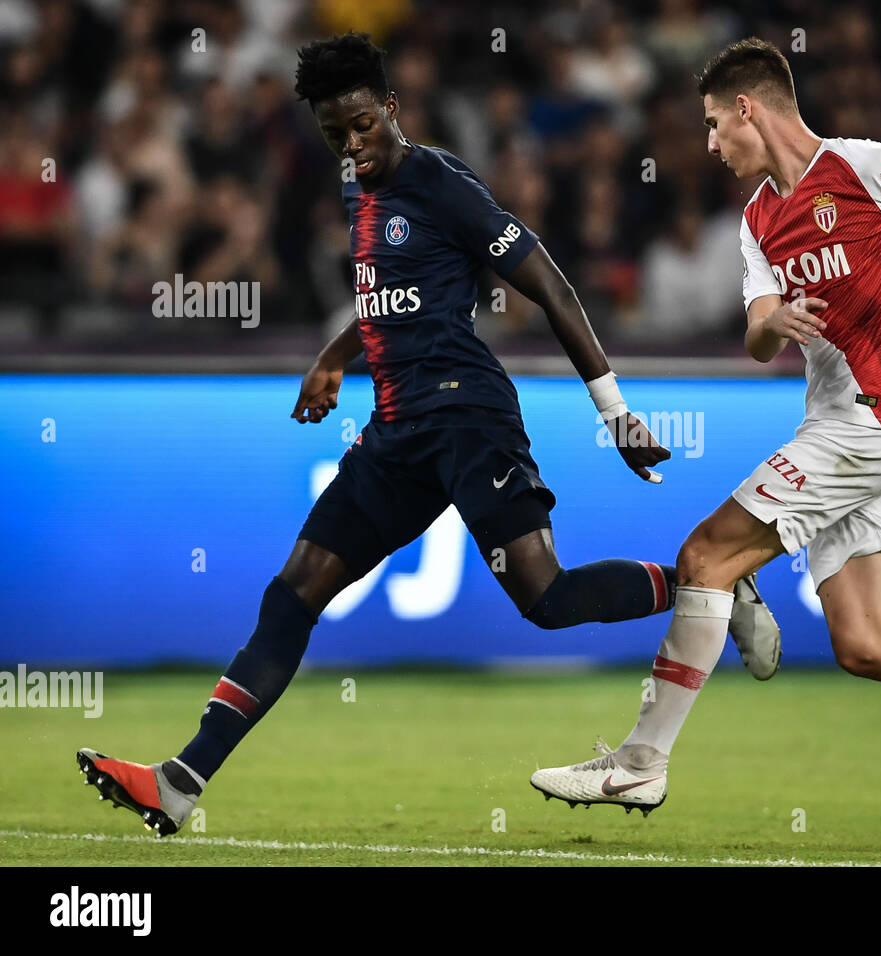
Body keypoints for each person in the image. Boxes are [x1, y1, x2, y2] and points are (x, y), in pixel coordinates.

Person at [77, 32, 778, 836]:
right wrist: (334, 357)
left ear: (393, 109)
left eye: (364, 126)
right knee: (292, 592)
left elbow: (548, 285)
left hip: (470, 417)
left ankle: (715, 585)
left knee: (546, 601)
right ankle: (181, 779)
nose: (353, 146)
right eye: (335, 134)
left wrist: (615, 410)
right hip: (398, 432)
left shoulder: (442, 183)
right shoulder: (357, 187)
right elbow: (389, 299)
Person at [531, 37, 881, 844]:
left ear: (747, 110)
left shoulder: (865, 167)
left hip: (865, 426)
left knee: (704, 558)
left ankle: (641, 761)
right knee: (866, 645)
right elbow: (759, 335)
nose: (708, 144)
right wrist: (777, 323)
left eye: (711, 125)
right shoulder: (757, 220)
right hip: (839, 430)